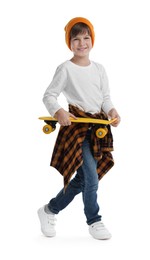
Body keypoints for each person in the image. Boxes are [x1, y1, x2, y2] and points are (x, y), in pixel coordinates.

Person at [37, 17, 120, 240]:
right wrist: (59, 112)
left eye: (86, 38)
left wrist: (111, 111)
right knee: (91, 179)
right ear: (69, 43)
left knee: (83, 180)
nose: (82, 43)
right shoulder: (65, 69)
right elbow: (49, 95)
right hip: (77, 129)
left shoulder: (100, 69)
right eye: (76, 39)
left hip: (98, 129)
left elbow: (105, 98)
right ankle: (94, 220)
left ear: (92, 40)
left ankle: (49, 210)